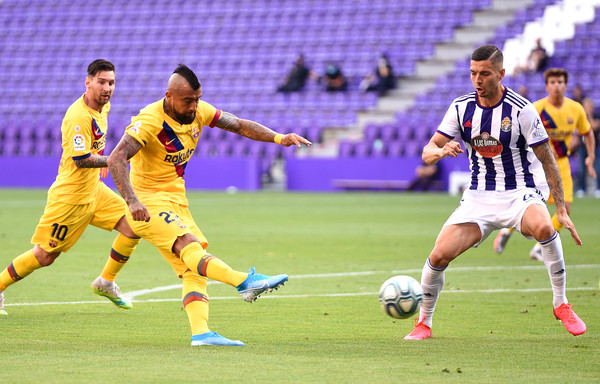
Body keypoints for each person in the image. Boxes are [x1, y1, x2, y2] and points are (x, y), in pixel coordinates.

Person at [107, 64, 312, 346]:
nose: (194, 106)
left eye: (197, 99)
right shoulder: (149, 120)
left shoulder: (200, 110)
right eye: (187, 101)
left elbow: (239, 125)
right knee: (188, 246)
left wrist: (279, 137)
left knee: (193, 267)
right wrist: (132, 201)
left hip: (176, 199)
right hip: (149, 200)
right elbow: (116, 158)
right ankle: (244, 282)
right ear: (169, 96)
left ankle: (201, 333)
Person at [404, 45, 586, 341]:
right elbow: (427, 151)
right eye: (473, 73)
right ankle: (423, 322)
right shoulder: (461, 107)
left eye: (485, 73)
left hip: (519, 192)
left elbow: (547, 158)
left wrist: (561, 208)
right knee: (438, 256)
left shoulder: (521, 109)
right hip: (478, 197)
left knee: (543, 226)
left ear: (501, 74)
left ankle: (561, 303)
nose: (478, 79)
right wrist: (440, 151)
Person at [0, 59, 140, 315]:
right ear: (88, 82)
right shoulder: (78, 116)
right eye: (101, 82)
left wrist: (104, 161)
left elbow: (93, 148)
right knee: (44, 256)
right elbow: (81, 158)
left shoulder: (102, 108)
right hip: (71, 198)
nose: (107, 88)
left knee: (135, 225)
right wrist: (111, 160)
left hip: (94, 191)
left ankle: (106, 281)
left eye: (111, 83)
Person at [493, 68, 596, 260]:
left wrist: (590, 157)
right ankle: (507, 231)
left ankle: (539, 248)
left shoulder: (576, 109)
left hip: (562, 164)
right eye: (553, 82)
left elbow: (587, 132)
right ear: (547, 85)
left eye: (560, 82)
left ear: (566, 85)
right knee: (528, 203)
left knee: (565, 208)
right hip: (538, 163)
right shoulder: (536, 108)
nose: (556, 86)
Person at [575, 98, 600, 197]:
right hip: (582, 147)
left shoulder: (596, 116)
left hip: (595, 147)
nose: (587, 108)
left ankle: (598, 188)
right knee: (581, 169)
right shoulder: (579, 118)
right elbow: (577, 131)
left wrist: (588, 116)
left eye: (589, 106)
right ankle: (582, 189)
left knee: (597, 168)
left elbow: (593, 126)